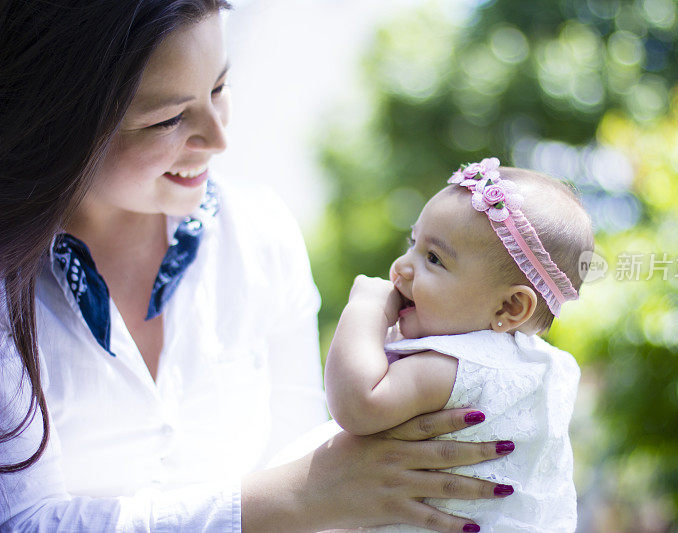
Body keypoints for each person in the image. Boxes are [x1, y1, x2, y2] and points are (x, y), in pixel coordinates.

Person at [0, 3, 520, 532]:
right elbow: (20, 521)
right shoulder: (9, 285)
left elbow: (295, 450)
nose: (219, 138)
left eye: (218, 88)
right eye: (168, 118)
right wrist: (307, 493)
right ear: (55, 120)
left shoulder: (259, 233)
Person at [325, 159, 595, 531]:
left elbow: (358, 403)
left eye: (433, 258)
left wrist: (365, 307)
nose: (401, 267)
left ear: (509, 307)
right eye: (412, 242)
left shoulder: (456, 366)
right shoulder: (537, 367)